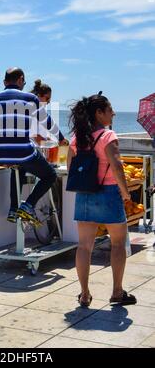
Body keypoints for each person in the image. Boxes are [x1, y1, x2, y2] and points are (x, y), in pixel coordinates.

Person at [67, 93, 137, 307]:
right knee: (117, 244)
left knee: (84, 246)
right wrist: (126, 194)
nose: (113, 113)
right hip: (108, 193)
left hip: (85, 195)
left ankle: (85, 293)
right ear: (99, 113)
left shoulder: (76, 139)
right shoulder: (108, 136)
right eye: (109, 110)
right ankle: (117, 292)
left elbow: (71, 169)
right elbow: (117, 167)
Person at [0, 68, 60, 225]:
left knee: (19, 167)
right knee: (50, 176)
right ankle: (28, 206)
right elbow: (46, 121)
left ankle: (13, 209)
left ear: (4, 82)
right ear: (20, 80)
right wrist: (61, 138)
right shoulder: (30, 98)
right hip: (22, 151)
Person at [30, 79, 69, 146]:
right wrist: (56, 144)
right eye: (47, 98)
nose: (49, 102)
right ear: (39, 96)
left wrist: (48, 139)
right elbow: (38, 140)